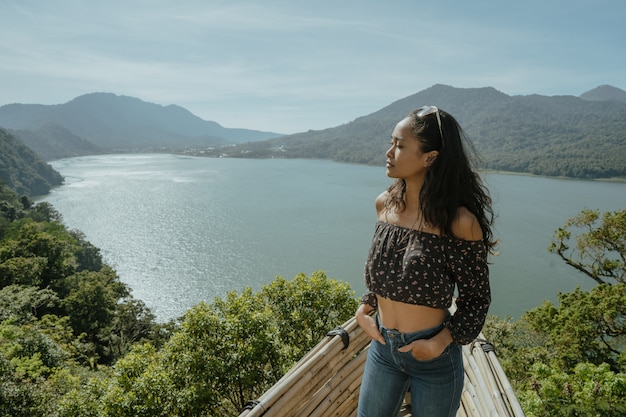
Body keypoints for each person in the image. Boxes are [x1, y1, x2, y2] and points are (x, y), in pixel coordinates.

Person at [355, 106, 496, 417]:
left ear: (429, 157)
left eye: (401, 145)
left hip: (433, 356)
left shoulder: (458, 222)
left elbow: (476, 299)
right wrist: (364, 309)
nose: (389, 152)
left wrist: (440, 342)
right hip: (383, 349)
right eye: (391, 142)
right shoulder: (385, 204)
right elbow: (387, 274)